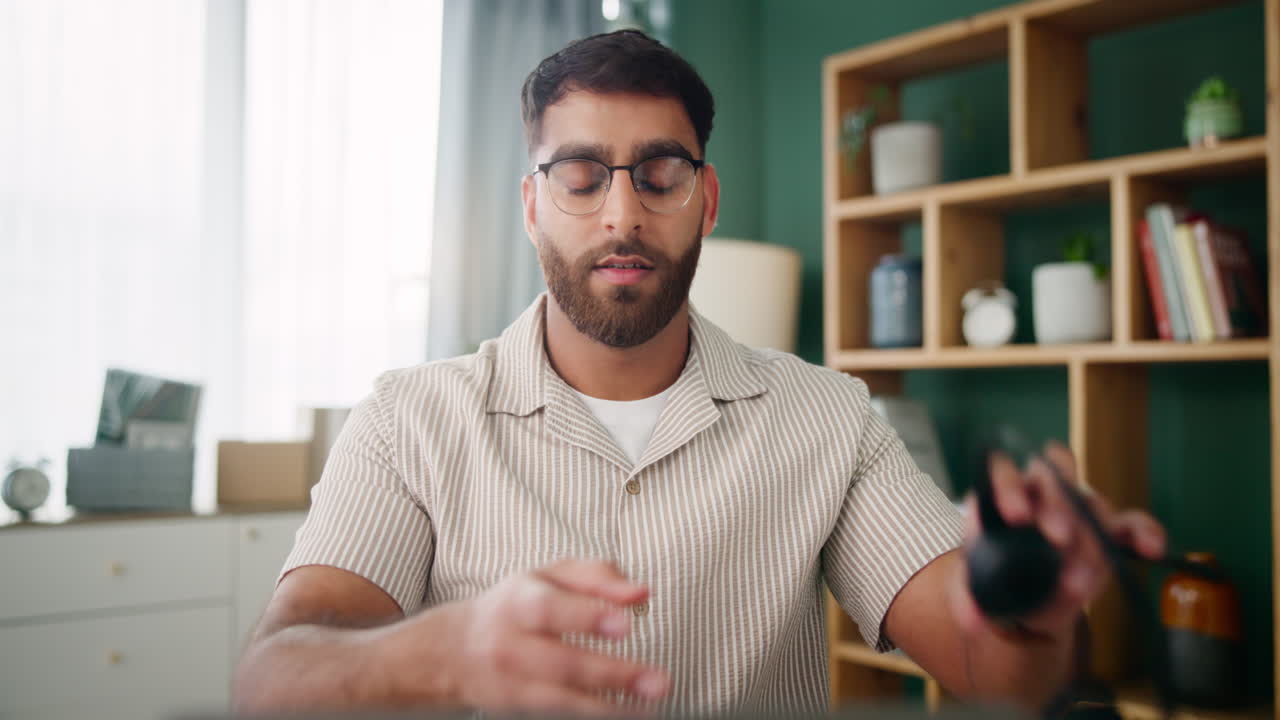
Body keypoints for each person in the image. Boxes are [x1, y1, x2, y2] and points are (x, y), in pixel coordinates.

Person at [232, 30, 1167, 716]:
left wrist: (1033, 611)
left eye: (660, 172)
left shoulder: (829, 420)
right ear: (531, 204)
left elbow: (994, 671)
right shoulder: (408, 419)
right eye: (581, 175)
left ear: (706, 197)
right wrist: (450, 650)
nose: (621, 214)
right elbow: (271, 681)